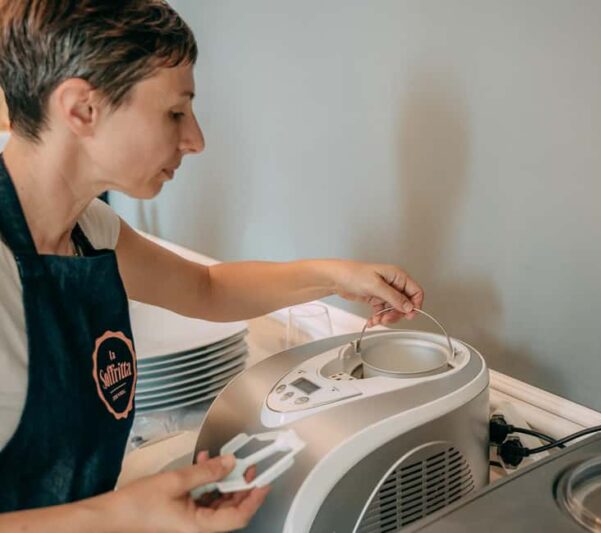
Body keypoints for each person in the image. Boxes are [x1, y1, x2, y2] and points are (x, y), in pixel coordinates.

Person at [0, 1, 424, 531]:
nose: (195, 140)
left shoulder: (90, 230)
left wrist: (338, 276)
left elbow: (205, 288)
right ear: (82, 109)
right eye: (176, 112)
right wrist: (121, 515)